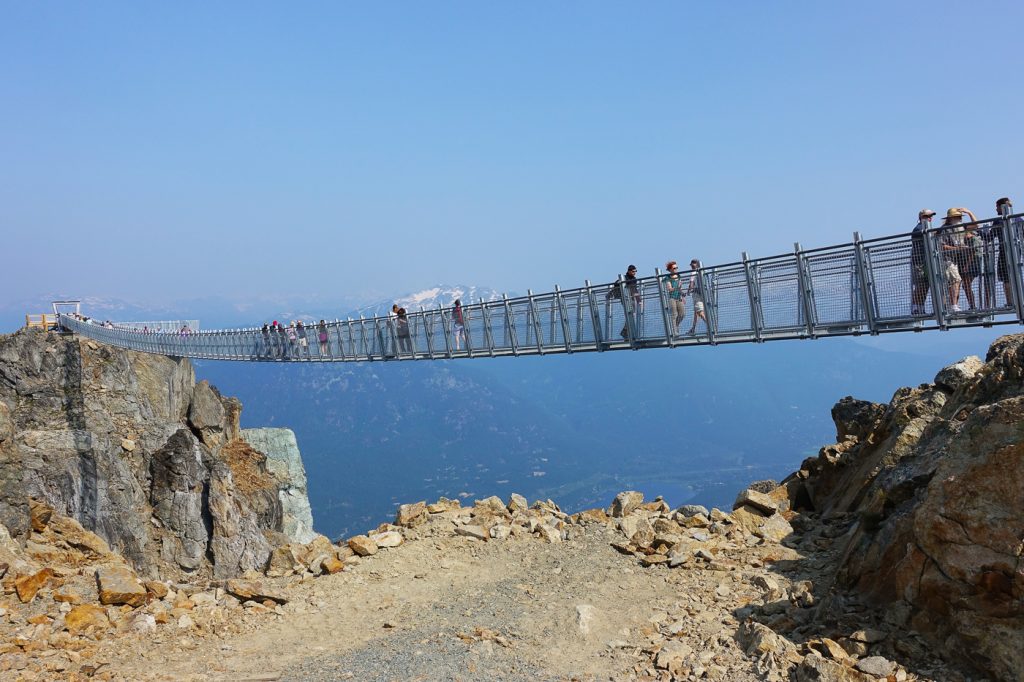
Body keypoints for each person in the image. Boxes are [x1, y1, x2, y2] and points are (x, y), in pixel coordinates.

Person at [939, 209, 969, 312]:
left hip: (953, 259)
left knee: (952, 282)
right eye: (957, 217)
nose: (960, 219)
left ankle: (949, 305)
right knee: (956, 280)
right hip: (946, 259)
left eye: (960, 216)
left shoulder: (956, 229)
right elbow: (942, 246)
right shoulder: (945, 230)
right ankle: (953, 305)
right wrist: (958, 249)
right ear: (951, 218)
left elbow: (975, 227)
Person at [910, 209, 935, 316]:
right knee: (921, 285)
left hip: (925, 261)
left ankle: (920, 308)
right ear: (921, 218)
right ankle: (915, 308)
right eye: (927, 216)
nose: (929, 218)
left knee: (925, 285)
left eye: (930, 216)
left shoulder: (926, 228)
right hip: (919, 262)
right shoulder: (918, 228)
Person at [686, 259, 708, 335]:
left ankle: (710, 326)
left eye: (692, 265)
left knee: (699, 312)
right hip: (704, 293)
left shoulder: (694, 272)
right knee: (696, 313)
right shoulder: (702, 272)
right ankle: (693, 329)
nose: (691, 266)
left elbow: (691, 283)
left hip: (696, 294)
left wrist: (689, 291)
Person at [664, 261, 686, 335]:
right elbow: (669, 289)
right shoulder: (668, 277)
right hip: (672, 298)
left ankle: (675, 326)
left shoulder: (679, 276)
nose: (676, 269)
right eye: (674, 268)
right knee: (674, 315)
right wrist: (677, 287)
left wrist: (683, 295)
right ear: (670, 269)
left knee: (682, 314)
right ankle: (674, 332)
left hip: (678, 297)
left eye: (677, 268)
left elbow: (680, 288)